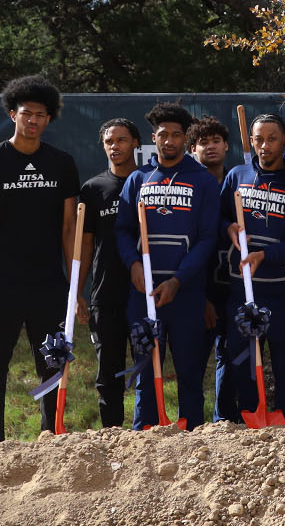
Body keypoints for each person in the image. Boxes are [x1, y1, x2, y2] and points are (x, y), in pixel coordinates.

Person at [0, 76, 80, 446]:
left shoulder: (61, 164)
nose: (33, 120)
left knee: (51, 366)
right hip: (2, 287)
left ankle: (50, 442)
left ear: (48, 119)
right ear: (12, 114)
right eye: (26, 113)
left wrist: (73, 286)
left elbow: (68, 228)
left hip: (48, 286)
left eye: (40, 115)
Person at [115, 102, 218, 429]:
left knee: (189, 373)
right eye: (163, 135)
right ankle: (143, 442)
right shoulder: (138, 179)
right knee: (146, 371)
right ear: (153, 138)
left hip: (185, 294)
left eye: (176, 135)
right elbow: (123, 229)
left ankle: (191, 444)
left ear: (186, 138)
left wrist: (179, 280)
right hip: (143, 293)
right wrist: (133, 264)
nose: (169, 141)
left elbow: (207, 238)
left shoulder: (202, 181)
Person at [218, 114, 285, 424]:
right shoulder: (237, 176)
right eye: (258, 139)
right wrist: (228, 226)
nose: (265, 145)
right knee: (242, 363)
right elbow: (217, 218)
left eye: (272, 139)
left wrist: (266, 255)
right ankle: (248, 425)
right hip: (242, 291)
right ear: (251, 141)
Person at [79, 117, 141, 429]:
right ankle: (112, 437)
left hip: (144, 293)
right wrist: (77, 292)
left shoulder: (150, 182)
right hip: (106, 294)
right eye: (109, 142)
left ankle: (149, 434)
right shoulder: (93, 189)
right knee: (108, 374)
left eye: (121, 140)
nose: (115, 147)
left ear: (135, 144)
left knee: (147, 367)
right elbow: (86, 246)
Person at [188, 115, 233, 423]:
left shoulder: (241, 181)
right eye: (203, 143)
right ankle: (190, 424)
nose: (211, 147)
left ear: (226, 146)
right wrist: (199, 294)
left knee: (230, 357)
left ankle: (224, 422)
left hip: (234, 284)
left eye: (216, 141)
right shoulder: (188, 186)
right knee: (193, 360)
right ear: (192, 149)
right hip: (198, 285)